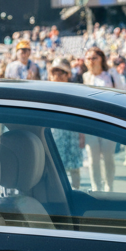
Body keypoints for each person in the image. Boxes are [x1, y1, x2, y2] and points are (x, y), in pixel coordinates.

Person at [81, 48, 124, 190]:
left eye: (94, 58)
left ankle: (109, 186)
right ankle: (96, 187)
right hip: (90, 123)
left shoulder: (111, 75)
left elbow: (122, 95)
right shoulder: (85, 77)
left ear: (101, 59)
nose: (91, 61)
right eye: (88, 58)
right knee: (93, 159)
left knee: (108, 157)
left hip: (108, 122)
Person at [47, 59, 84, 187]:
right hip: (54, 133)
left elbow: (80, 116)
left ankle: (75, 194)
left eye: (61, 72)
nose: (58, 75)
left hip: (72, 132)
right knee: (56, 167)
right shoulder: (45, 91)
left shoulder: (75, 91)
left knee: (74, 167)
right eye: (55, 72)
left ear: (68, 74)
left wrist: (81, 135)